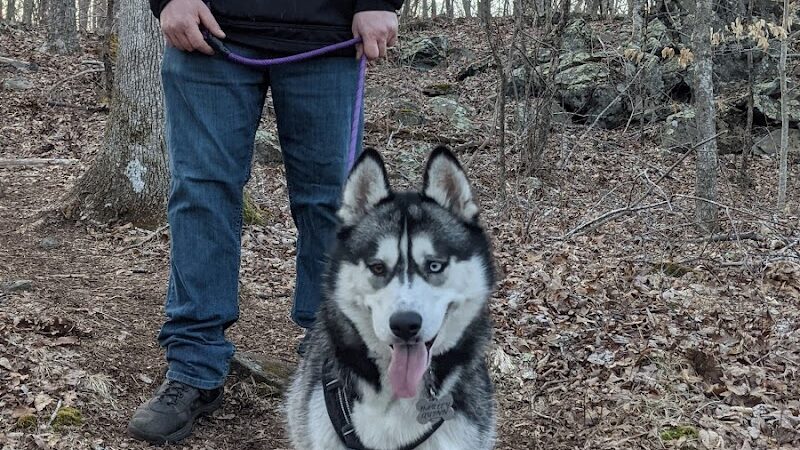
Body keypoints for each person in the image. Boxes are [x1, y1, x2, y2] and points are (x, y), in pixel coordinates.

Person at [128, 0, 402, 444]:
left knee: (333, 207)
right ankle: (194, 367)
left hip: (328, 38)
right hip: (207, 34)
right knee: (200, 196)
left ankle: (331, 365)